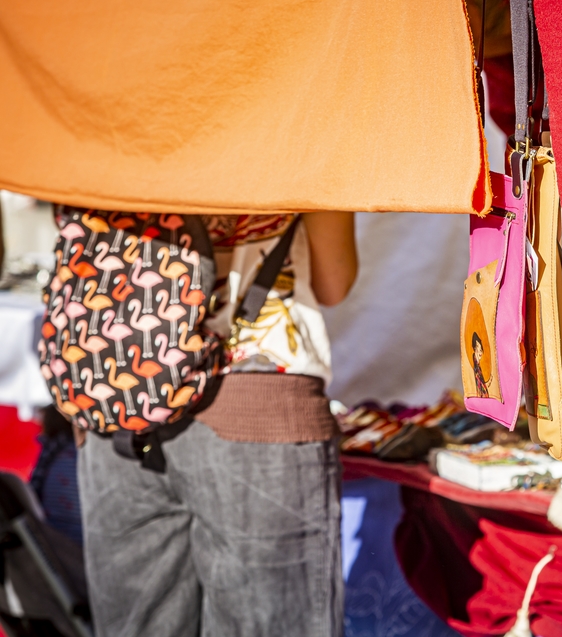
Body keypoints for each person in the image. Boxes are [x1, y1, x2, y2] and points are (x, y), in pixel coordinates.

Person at [68, 210, 356, 637]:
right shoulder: (303, 143)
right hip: (258, 394)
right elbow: (334, 279)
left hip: (119, 388)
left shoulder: (92, 143)